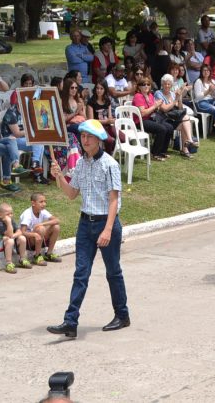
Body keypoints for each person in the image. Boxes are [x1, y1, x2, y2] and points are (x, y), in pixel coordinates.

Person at [47, 120, 130, 341]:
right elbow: (72, 194)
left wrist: (108, 230)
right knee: (80, 273)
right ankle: (71, 321)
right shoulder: (81, 164)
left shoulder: (110, 164)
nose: (84, 140)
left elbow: (114, 200)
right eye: (82, 136)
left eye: (89, 137)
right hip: (85, 224)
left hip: (105, 223)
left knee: (113, 271)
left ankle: (122, 315)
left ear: (99, 139)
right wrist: (59, 176)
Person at [154, 73, 195, 158]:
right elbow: (164, 109)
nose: (167, 86)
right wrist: (175, 100)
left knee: (185, 119)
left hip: (172, 119)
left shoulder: (172, 94)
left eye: (169, 84)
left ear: (171, 85)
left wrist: (179, 97)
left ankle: (186, 146)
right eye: (165, 84)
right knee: (185, 120)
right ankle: (187, 145)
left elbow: (180, 109)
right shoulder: (158, 93)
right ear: (162, 84)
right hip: (164, 119)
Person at [131, 78, 172, 160]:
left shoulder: (150, 95)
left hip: (150, 118)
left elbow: (154, 109)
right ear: (139, 87)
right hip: (140, 121)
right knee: (162, 129)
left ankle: (162, 151)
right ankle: (155, 153)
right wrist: (155, 106)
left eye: (148, 84)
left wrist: (158, 106)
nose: (146, 86)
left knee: (169, 127)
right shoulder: (138, 96)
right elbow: (142, 113)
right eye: (143, 84)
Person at [20, 192, 62, 265]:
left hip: (39, 237)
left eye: (45, 201)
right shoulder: (27, 214)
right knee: (41, 228)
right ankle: (37, 256)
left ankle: (49, 254)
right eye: (41, 202)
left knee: (56, 227)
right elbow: (22, 232)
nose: (44, 204)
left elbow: (57, 220)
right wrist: (34, 235)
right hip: (29, 241)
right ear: (33, 203)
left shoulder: (42, 211)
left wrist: (42, 223)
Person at [0, 203, 32, 274]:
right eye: (8, 214)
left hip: (7, 245)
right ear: (0, 215)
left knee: (22, 238)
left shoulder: (11, 220)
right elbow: (10, 234)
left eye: (11, 213)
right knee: (10, 240)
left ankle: (22, 259)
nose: (10, 216)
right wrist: (8, 223)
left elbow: (19, 231)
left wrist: (13, 236)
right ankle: (9, 263)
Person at [194, 64, 215, 136]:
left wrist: (213, 91)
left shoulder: (213, 81)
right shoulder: (198, 81)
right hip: (200, 102)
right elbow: (198, 97)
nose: (206, 72)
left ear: (210, 72)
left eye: (208, 70)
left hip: (211, 100)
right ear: (201, 72)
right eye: (204, 70)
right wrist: (208, 91)